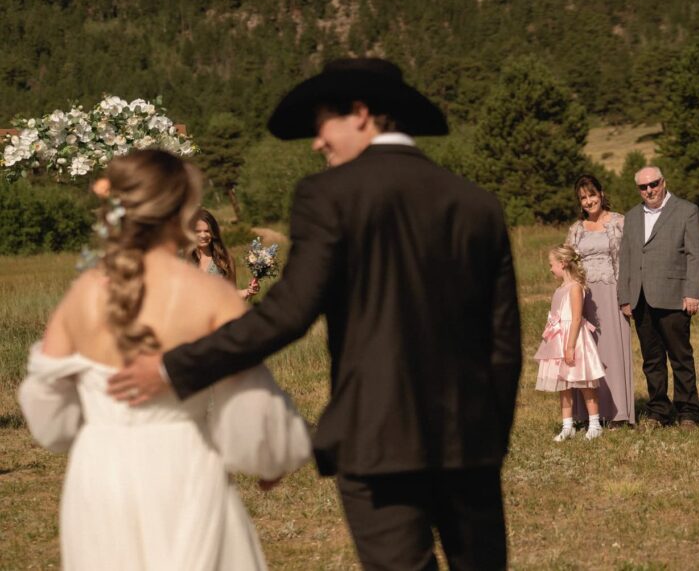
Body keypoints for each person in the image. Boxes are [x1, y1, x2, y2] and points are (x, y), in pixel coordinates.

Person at [107, 58, 523, 569]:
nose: (317, 141)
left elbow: (287, 313)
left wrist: (175, 367)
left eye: (322, 123)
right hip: (472, 441)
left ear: (362, 114)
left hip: (376, 441)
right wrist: (489, 437)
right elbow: (503, 339)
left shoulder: (327, 196)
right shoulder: (477, 203)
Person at [17, 149, 310, 570]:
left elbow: (48, 413)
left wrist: (97, 425)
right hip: (183, 466)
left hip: (100, 475)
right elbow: (251, 399)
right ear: (183, 211)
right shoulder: (211, 296)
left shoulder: (83, 294)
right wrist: (271, 457)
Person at [617, 166, 699, 428]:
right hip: (641, 299)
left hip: (674, 296)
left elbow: (695, 254)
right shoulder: (632, 217)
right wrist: (625, 296)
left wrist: (692, 292)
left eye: (653, 184)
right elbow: (626, 258)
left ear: (663, 182)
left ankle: (688, 411)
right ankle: (658, 411)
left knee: (680, 356)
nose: (649, 190)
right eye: (643, 187)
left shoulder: (686, 210)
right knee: (651, 359)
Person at [564, 174, 635, 426]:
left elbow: (629, 261)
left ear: (601, 194)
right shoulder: (576, 229)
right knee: (585, 352)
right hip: (582, 297)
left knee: (612, 351)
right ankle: (586, 413)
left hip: (611, 292)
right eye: (583, 197)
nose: (588, 201)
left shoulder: (618, 222)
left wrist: (628, 296)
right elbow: (567, 265)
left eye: (592, 195)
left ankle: (617, 413)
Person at [535, 245, 606, 441]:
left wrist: (570, 346)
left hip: (573, 339)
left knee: (584, 382)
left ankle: (594, 423)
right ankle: (568, 425)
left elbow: (576, 318)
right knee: (563, 385)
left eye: (552, 264)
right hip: (558, 338)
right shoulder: (560, 289)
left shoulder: (575, 287)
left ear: (563, 263)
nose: (550, 269)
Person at [189, 207, 260, 300]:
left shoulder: (225, 260)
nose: (203, 235)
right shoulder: (182, 259)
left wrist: (248, 291)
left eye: (207, 231)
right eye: (198, 231)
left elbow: (232, 295)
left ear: (213, 232)